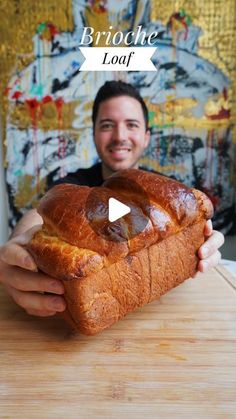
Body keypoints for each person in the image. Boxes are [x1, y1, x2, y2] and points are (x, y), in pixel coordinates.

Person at [0, 81, 224, 318]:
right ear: (94, 134)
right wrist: (21, 249)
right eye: (107, 125)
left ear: (146, 136)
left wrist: (205, 242)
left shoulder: (167, 195)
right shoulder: (73, 187)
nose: (120, 136)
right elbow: (37, 219)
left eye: (132, 125)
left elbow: (196, 223)